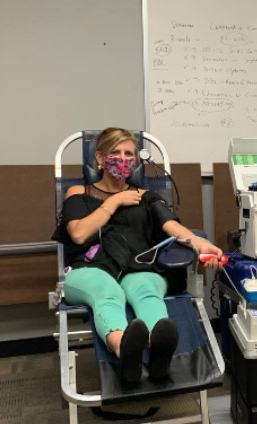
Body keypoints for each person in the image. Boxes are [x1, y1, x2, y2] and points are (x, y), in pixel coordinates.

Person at [53, 127, 225, 383]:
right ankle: (125, 350)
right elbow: (78, 234)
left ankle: (159, 352)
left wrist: (200, 243)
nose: (123, 159)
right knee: (107, 291)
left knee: (146, 289)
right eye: (115, 152)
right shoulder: (79, 193)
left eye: (129, 154)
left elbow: (171, 226)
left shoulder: (146, 196)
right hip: (88, 270)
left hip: (137, 267)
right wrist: (115, 202)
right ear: (100, 158)